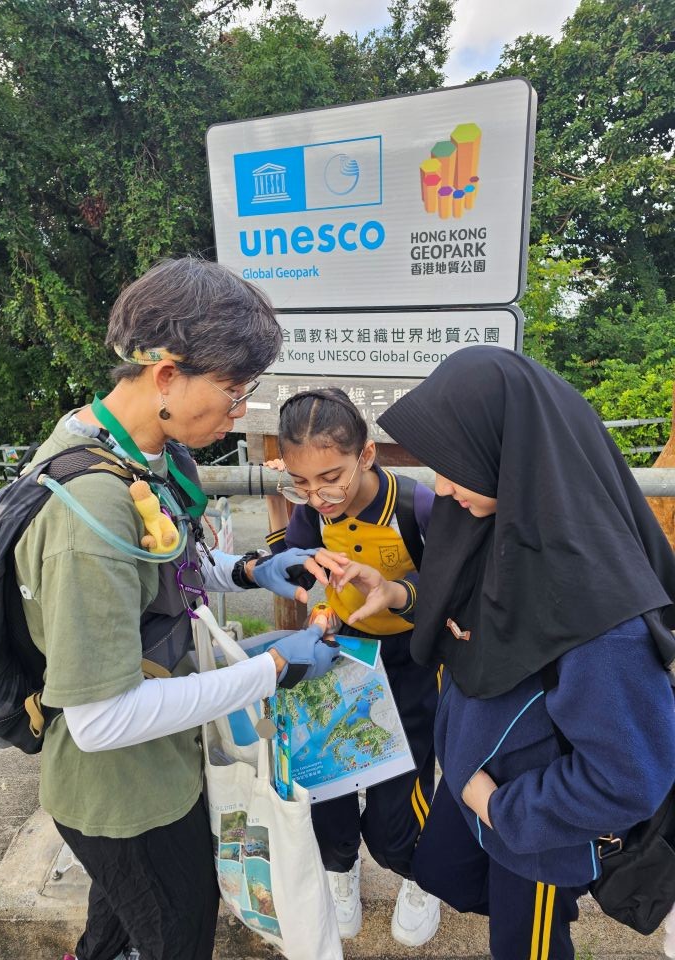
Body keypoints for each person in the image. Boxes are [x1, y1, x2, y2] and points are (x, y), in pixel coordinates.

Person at [12, 257, 343, 960]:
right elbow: (101, 720)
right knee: (177, 933)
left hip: (163, 765)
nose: (239, 410)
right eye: (232, 389)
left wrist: (251, 569)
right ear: (166, 375)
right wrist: (270, 670)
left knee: (112, 933)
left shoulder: (140, 451)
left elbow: (167, 563)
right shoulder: (91, 507)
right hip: (127, 798)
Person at [364, 345, 675, 960]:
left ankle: (558, 902)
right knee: (442, 872)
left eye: (455, 467)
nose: (443, 487)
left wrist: (503, 808)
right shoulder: (499, 523)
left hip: (534, 818)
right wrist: (398, 592)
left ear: (509, 453)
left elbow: (630, 776)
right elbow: (476, 608)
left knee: (524, 943)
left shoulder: (598, 612)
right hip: (476, 772)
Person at [262, 388, 442, 948]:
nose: (318, 496)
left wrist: (397, 591)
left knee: (399, 796)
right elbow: (300, 568)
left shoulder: (415, 506)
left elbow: (452, 584)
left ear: (366, 455)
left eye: (331, 478)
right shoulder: (311, 512)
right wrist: (319, 607)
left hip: (411, 660)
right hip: (340, 656)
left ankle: (418, 870)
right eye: (301, 482)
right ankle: (339, 867)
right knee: (328, 777)